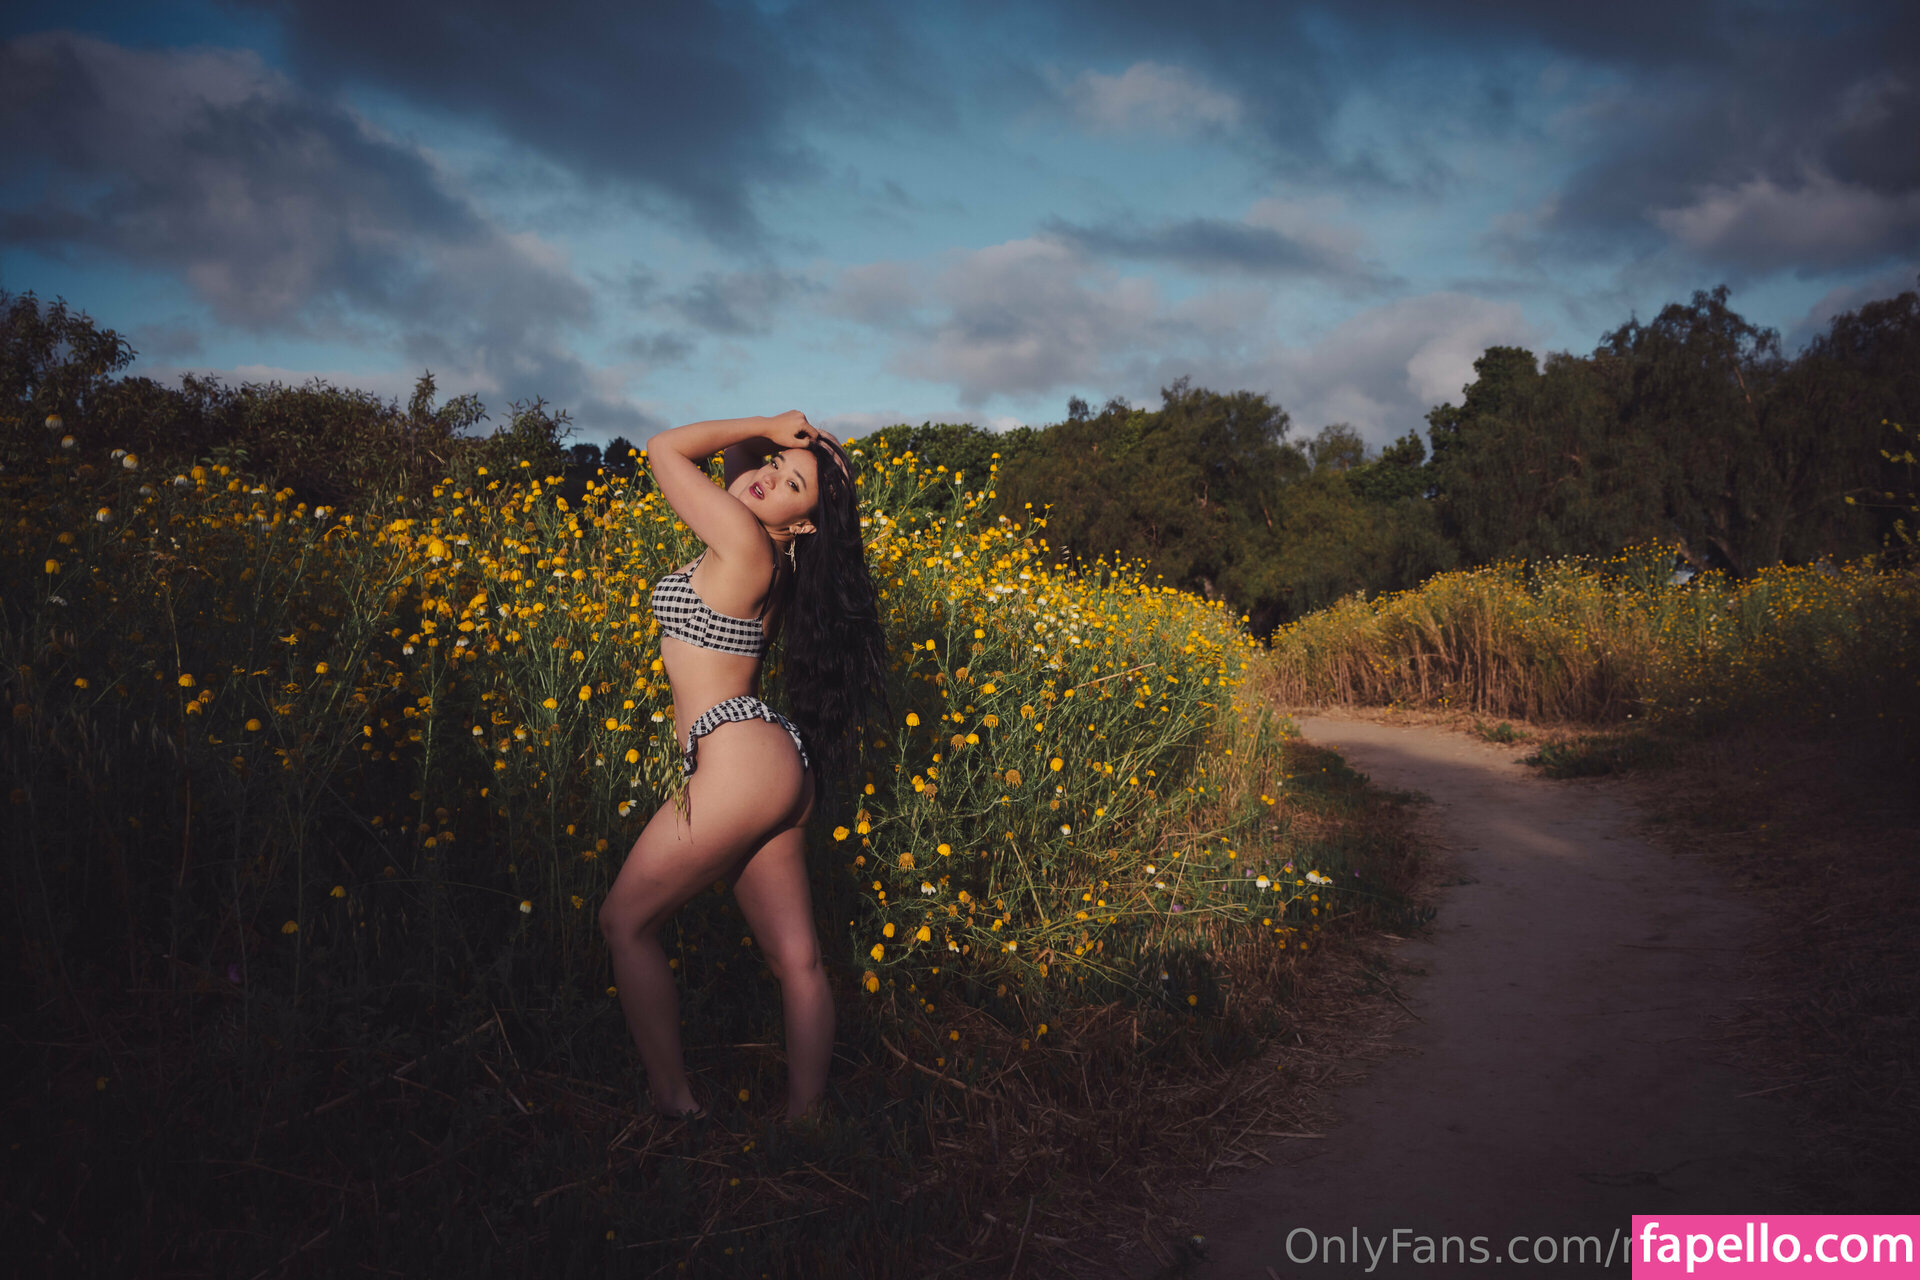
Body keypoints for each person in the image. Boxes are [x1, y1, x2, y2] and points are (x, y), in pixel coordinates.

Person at [599, 410, 886, 1123]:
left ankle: (675, 1106)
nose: (766, 479)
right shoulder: (771, 554)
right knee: (797, 960)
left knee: (623, 924)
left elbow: (664, 448)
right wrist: (791, 442)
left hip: (738, 761)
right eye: (774, 466)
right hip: (773, 758)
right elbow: (740, 458)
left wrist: (768, 423)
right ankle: (806, 1124)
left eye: (791, 485)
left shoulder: (744, 544)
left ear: (806, 522)